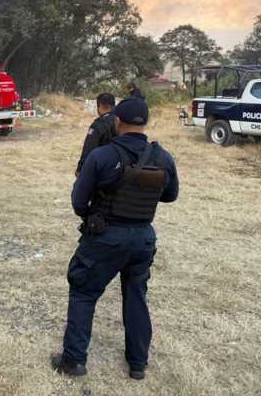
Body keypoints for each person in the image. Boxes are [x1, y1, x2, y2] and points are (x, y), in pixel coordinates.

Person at [52, 97, 179, 380]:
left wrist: (95, 215)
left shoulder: (102, 156)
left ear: (117, 121)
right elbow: (170, 195)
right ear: (145, 123)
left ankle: (74, 360)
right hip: (143, 238)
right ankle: (138, 364)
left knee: (83, 292)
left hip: (105, 237)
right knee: (136, 296)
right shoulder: (163, 157)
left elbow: (78, 201)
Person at [75, 93, 116, 177]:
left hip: (100, 169)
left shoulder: (98, 125)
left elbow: (89, 148)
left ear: (99, 106)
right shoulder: (121, 122)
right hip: (118, 169)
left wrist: (80, 169)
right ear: (113, 106)